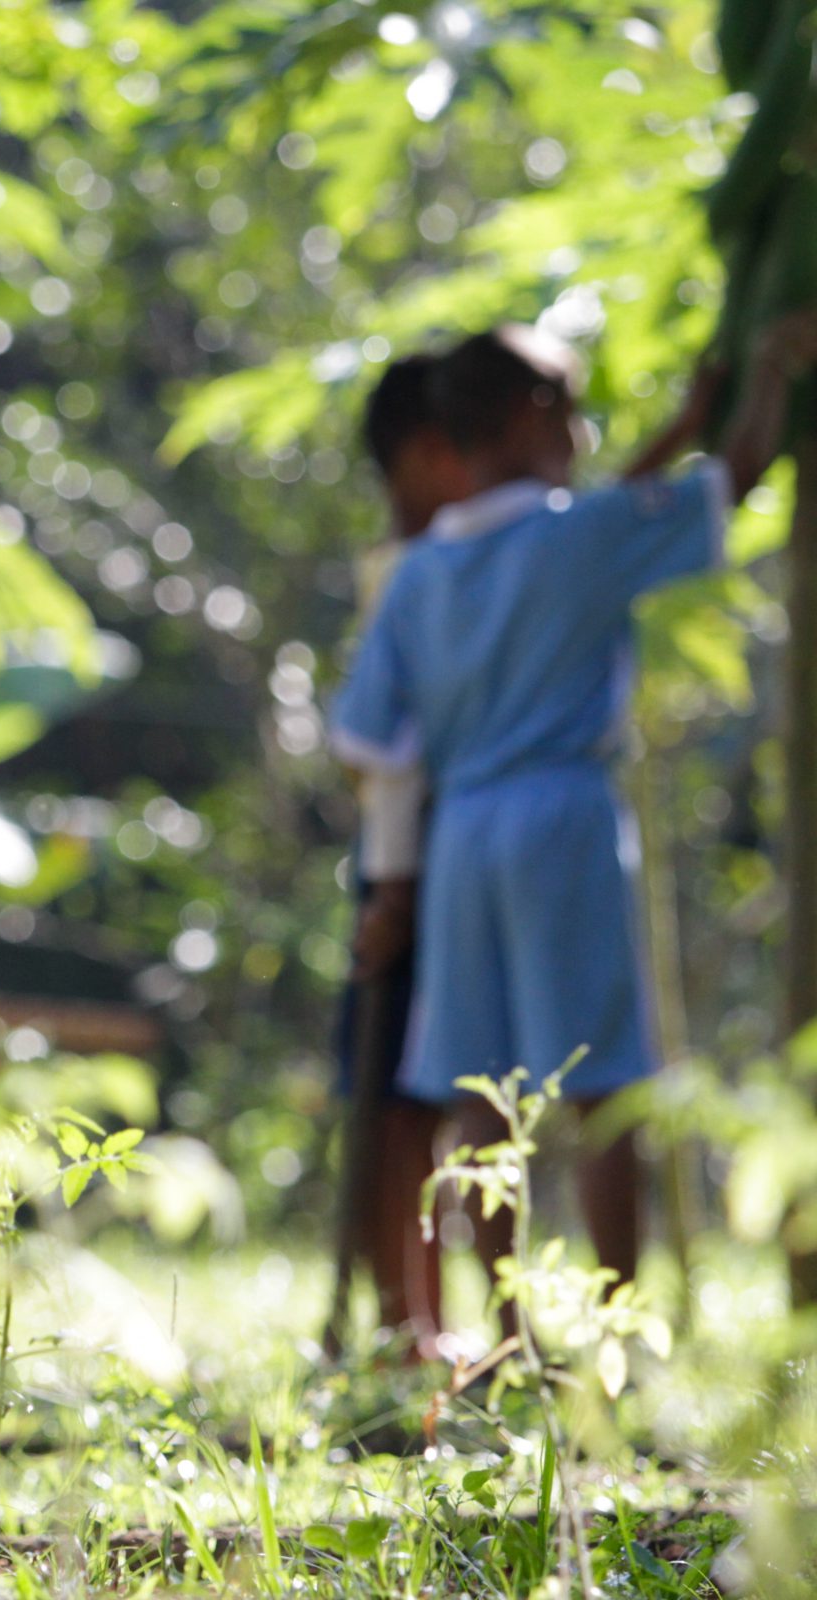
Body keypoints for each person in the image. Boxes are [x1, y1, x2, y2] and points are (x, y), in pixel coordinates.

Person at [331, 319, 808, 1320]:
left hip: (461, 834)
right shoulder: (577, 539)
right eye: (577, 408)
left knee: (477, 1094)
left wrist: (395, 886)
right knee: (600, 1087)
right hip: (563, 818)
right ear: (538, 414)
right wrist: (768, 373)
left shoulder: (417, 575)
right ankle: (615, 1334)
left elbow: (372, 741)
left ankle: (508, 1333)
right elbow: (734, 479)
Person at [331, 352, 468, 1359]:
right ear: (426, 457)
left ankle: (426, 1315)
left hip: (451, 856)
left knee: (437, 1095)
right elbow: (382, 756)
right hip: (404, 863)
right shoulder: (409, 574)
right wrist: (392, 884)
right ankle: (398, 1320)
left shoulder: (455, 562)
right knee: (393, 1099)